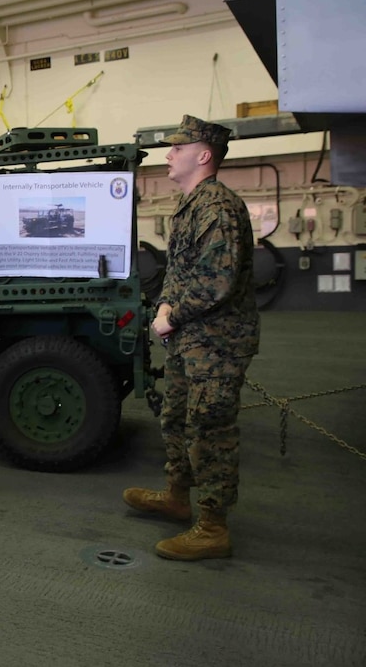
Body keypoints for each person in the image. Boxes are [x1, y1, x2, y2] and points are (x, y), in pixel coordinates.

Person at [123, 114, 259, 561]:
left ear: (203, 156)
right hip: (191, 340)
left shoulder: (216, 207)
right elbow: (179, 272)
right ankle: (178, 497)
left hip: (216, 344)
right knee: (178, 421)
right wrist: (165, 306)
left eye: (177, 149)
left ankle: (213, 527)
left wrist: (171, 315)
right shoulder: (192, 203)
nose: (169, 154)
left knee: (210, 431)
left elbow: (215, 283)